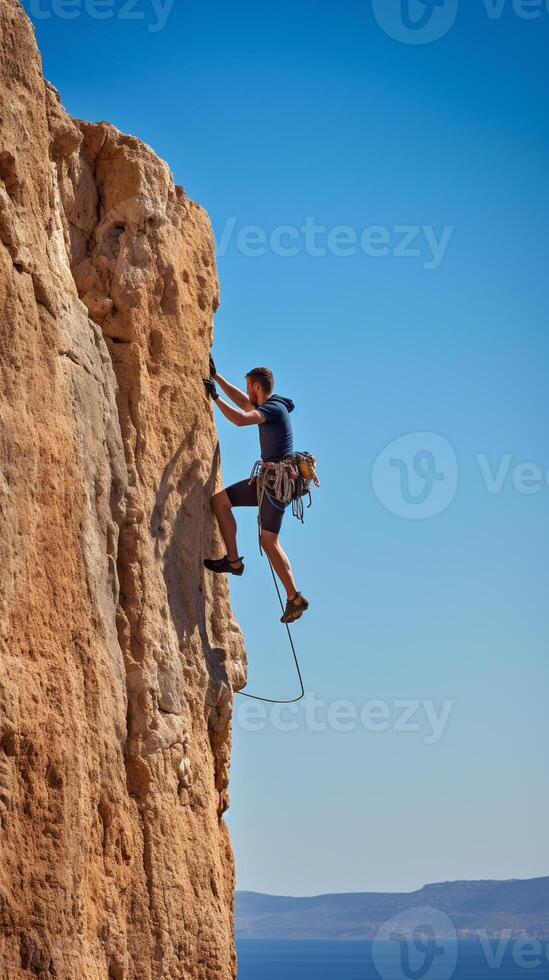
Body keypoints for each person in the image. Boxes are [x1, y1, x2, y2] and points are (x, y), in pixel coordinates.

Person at [202, 354, 309, 624]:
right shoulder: (272, 405)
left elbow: (239, 418)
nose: (248, 390)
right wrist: (217, 378)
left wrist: (214, 398)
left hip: (275, 484)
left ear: (257, 387)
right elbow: (243, 403)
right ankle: (234, 562)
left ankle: (294, 596)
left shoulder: (273, 409)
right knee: (220, 502)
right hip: (269, 481)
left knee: (269, 541)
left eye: (249, 385)